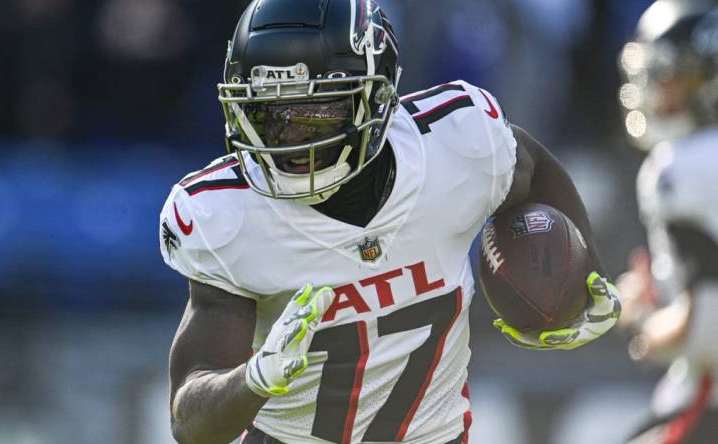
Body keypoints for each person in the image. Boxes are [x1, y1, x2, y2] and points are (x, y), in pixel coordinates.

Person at [159, 1, 620, 443]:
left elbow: (534, 166)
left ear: (377, 99)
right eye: (266, 114)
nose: (288, 141)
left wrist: (587, 273)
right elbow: (190, 423)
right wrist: (253, 379)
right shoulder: (230, 214)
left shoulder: (458, 144)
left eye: (315, 113)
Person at [617, 1, 718, 442]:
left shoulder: (683, 169)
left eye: (670, 74)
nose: (656, 89)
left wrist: (642, 323)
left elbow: (708, 333)